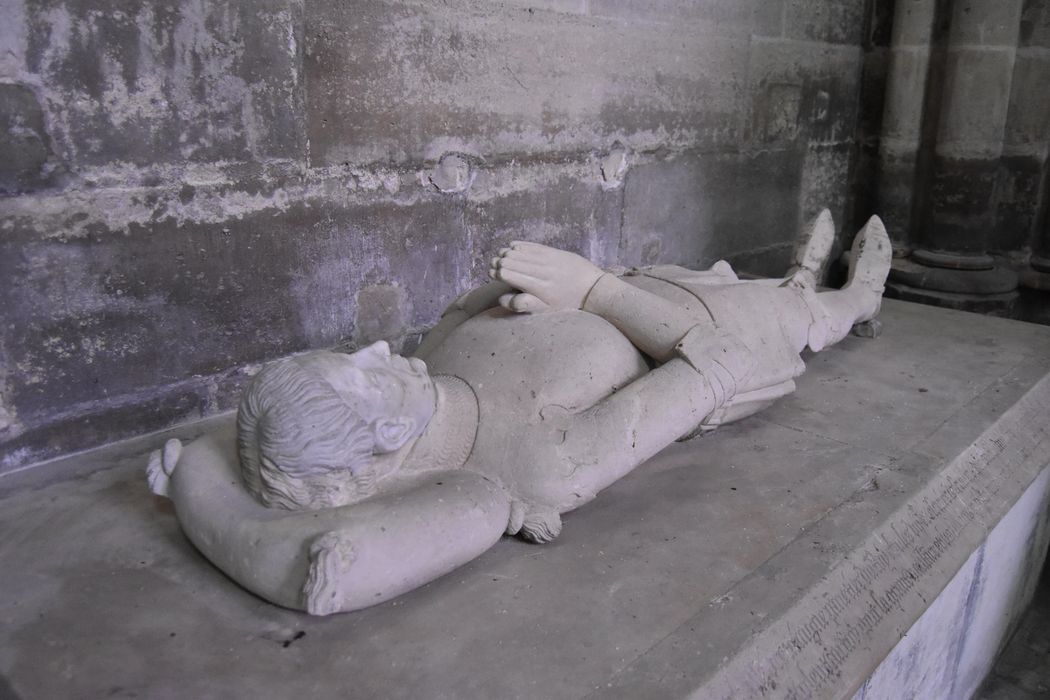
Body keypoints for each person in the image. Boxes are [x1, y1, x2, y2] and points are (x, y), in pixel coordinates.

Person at [147, 211, 892, 615]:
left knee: (775, 286)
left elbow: (476, 303)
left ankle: (800, 273)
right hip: (719, 332)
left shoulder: (432, 364)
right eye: (365, 373)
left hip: (652, 284)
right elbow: (722, 367)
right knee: (810, 312)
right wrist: (593, 290)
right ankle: (856, 293)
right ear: (387, 436)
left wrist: (530, 281)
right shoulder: (541, 462)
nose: (377, 348)